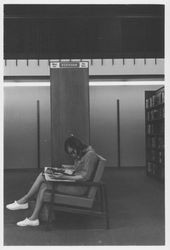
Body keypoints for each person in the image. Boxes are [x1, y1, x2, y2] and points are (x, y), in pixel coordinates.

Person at [6, 135, 98, 227]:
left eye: (73, 151)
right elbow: (78, 171)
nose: (73, 155)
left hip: (80, 188)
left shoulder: (90, 155)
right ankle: (31, 214)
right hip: (75, 183)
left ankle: (27, 206)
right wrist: (63, 173)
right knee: (43, 175)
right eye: (71, 153)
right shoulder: (82, 153)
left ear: (78, 146)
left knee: (44, 185)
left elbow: (85, 177)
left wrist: (65, 177)